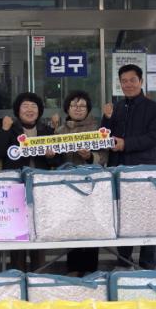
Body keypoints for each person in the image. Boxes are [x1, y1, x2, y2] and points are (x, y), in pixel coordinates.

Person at [101, 64, 156, 270]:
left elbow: (154, 137)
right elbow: (105, 136)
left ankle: (148, 265)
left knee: (147, 218)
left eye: (132, 80)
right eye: (124, 81)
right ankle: (124, 261)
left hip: (143, 172)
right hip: (118, 171)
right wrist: (106, 119)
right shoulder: (118, 107)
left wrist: (126, 144)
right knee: (123, 217)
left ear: (141, 81)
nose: (128, 84)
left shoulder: (153, 108)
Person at [0, 92, 56, 271]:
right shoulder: (10, 128)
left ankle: (39, 274)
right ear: (18, 110)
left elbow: (57, 160)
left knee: (39, 229)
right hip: (16, 188)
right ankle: (18, 273)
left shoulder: (46, 131)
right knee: (18, 231)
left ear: (39, 111)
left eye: (34, 106)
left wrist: (51, 156)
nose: (30, 110)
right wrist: (4, 130)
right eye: (25, 106)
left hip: (40, 188)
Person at [52, 90, 108, 276]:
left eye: (82, 106)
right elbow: (54, 160)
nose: (78, 109)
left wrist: (90, 156)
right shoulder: (59, 131)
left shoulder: (97, 130)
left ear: (88, 109)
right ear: (67, 108)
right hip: (67, 186)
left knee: (91, 226)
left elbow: (104, 157)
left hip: (91, 187)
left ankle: (91, 270)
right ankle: (73, 268)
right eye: (74, 105)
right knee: (71, 225)